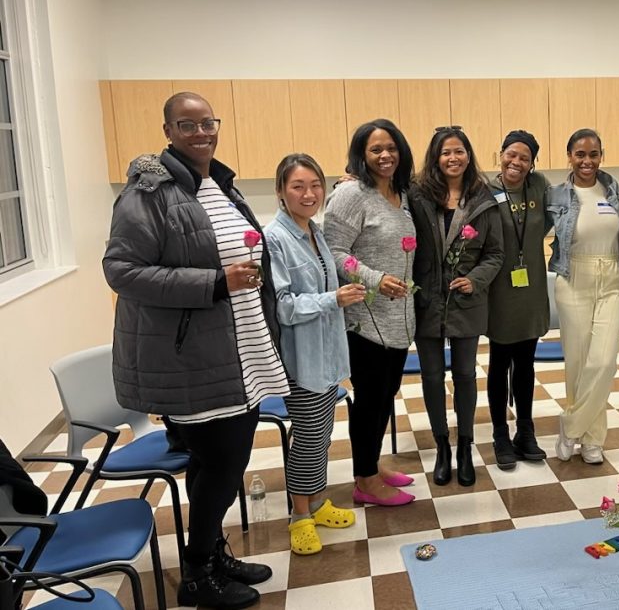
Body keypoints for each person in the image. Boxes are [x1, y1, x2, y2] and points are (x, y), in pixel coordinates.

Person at [103, 92, 287, 609]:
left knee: (221, 464)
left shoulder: (218, 184)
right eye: (187, 125)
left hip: (241, 346)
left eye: (209, 122)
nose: (201, 132)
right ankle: (198, 577)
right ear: (167, 130)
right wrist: (214, 282)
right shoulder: (148, 192)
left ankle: (211, 552)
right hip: (193, 358)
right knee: (223, 465)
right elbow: (121, 270)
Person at [264, 154, 365, 555]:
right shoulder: (274, 238)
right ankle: (299, 516)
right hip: (299, 360)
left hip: (325, 356)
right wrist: (332, 299)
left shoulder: (314, 232)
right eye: (298, 187)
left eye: (315, 186)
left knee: (321, 436)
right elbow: (283, 306)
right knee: (306, 439)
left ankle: (318, 502)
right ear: (281, 191)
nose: (309, 194)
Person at [324, 119, 418, 507]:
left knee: (385, 396)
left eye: (391, 147)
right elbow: (334, 252)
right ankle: (364, 480)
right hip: (365, 318)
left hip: (398, 317)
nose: (385, 155)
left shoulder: (401, 193)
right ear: (361, 155)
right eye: (375, 149)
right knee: (369, 400)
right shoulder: (351, 195)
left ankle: (373, 465)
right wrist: (375, 278)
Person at [410, 127, 505, 486]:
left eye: (459, 152)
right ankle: (442, 447)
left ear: (469, 155)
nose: (453, 158)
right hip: (426, 299)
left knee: (465, 374)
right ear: (436, 157)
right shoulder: (417, 195)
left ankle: (465, 445)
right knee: (432, 377)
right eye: (446, 152)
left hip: (467, 299)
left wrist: (476, 279)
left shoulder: (484, 197)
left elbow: (495, 253)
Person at [547, 128, 619, 465]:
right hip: (573, 278)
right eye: (580, 154)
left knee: (604, 361)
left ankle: (571, 427)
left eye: (593, 154)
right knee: (579, 364)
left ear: (601, 156)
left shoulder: (616, 193)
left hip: (614, 278)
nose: (587, 161)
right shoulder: (556, 195)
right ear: (570, 156)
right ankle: (593, 439)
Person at [486, 130, 551, 470]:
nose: (517, 162)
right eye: (512, 154)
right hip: (499, 289)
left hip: (531, 287)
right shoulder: (483, 189)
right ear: (501, 154)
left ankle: (525, 430)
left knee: (526, 362)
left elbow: (554, 218)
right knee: (499, 361)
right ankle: (500, 433)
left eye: (525, 158)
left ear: (532, 163)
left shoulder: (539, 186)